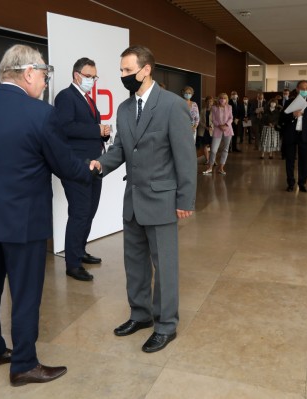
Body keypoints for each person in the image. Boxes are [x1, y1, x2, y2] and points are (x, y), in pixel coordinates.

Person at [0, 44, 96, 387]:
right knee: (25, 294)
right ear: (28, 73)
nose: (46, 83)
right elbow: (64, 164)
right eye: (44, 75)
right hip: (23, 222)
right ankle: (24, 364)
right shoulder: (40, 114)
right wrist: (90, 168)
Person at [94, 45, 196, 353]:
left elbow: (185, 157)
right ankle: (140, 315)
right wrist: (100, 164)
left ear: (146, 69)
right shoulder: (125, 109)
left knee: (163, 266)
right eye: (121, 71)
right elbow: (120, 150)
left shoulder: (172, 105)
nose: (123, 76)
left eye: (128, 70)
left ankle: (166, 325)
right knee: (134, 263)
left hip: (163, 200)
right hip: (133, 200)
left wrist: (185, 200)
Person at [54, 57, 110, 282]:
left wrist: (102, 133)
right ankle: (73, 264)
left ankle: (80, 250)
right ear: (77, 75)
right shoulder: (65, 97)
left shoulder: (86, 98)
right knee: (79, 213)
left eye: (94, 77)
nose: (92, 81)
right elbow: (65, 127)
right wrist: (96, 130)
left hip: (95, 164)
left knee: (90, 210)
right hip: (77, 165)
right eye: (89, 76)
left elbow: (87, 127)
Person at [279, 80, 307, 193]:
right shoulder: (289, 102)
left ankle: (302, 183)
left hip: (305, 135)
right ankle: (290, 183)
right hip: (291, 135)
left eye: (306, 89)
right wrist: (292, 115)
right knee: (290, 160)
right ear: (297, 89)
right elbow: (282, 119)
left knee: (304, 161)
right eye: (302, 88)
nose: (304, 91)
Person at [203, 93, 233, 175]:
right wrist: (219, 125)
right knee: (213, 150)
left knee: (225, 149)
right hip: (217, 130)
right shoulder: (214, 108)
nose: (223, 99)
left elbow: (231, 118)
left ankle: (221, 168)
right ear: (218, 99)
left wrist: (226, 125)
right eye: (221, 98)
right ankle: (210, 167)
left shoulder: (229, 107)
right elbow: (213, 119)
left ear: (226, 99)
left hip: (228, 130)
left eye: (224, 98)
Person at [197, 95, 214, 164]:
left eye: (211, 101)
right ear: (206, 102)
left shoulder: (214, 110)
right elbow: (199, 120)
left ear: (213, 102)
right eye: (208, 101)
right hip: (203, 130)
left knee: (213, 146)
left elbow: (216, 120)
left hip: (211, 130)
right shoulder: (202, 110)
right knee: (204, 145)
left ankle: (212, 160)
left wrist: (211, 126)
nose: (209, 103)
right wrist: (205, 127)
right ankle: (207, 160)